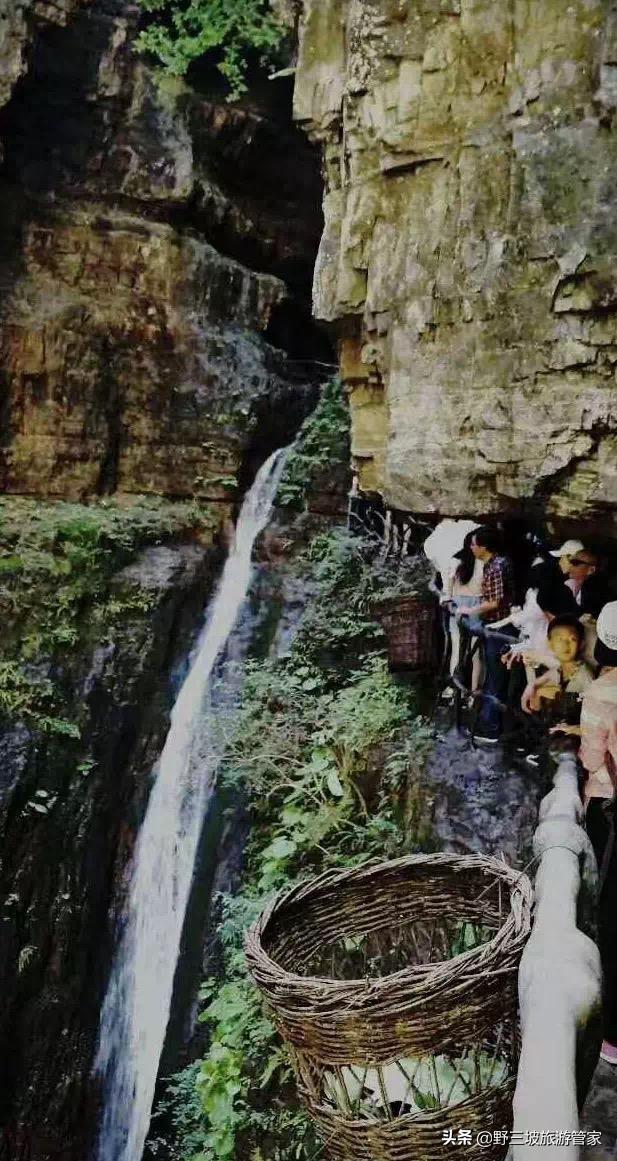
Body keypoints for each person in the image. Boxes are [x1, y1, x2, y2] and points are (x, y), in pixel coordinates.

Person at [551, 602, 617, 1065]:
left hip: (610, 807)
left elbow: (594, 760)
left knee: (613, 916)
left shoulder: (602, 691)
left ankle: (613, 1038)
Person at [457, 526, 514, 743]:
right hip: (500, 625)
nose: (471, 548)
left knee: (495, 676)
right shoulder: (498, 563)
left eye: (473, 544)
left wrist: (469, 610)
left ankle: (491, 728)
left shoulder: (496, 567)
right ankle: (491, 721)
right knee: (495, 675)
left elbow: (495, 601)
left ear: (483, 546)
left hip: (499, 627)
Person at [442, 531, 484, 693]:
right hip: (476, 605)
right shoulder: (483, 562)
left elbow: (448, 590)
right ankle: (474, 691)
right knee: (476, 652)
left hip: (457, 604)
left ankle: (454, 690)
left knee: (456, 648)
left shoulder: (454, 561)